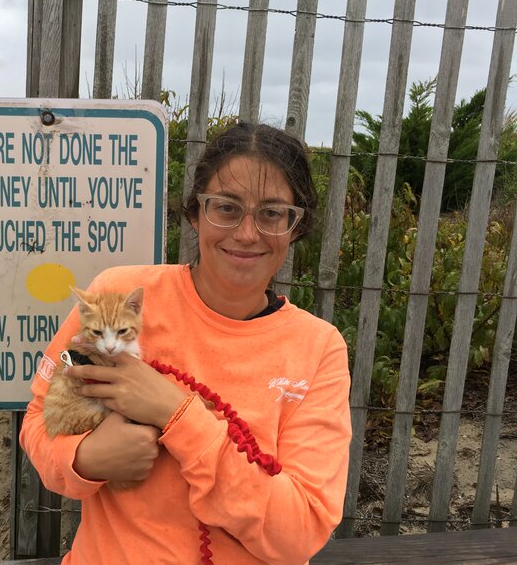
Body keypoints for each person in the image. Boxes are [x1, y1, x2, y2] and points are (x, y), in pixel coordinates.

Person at [19, 122, 352, 564]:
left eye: (272, 213)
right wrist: (85, 458)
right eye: (226, 207)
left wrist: (177, 414)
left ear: (296, 226)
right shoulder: (117, 296)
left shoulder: (318, 348)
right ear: (196, 214)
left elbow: (298, 534)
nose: (247, 233)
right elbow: (38, 421)